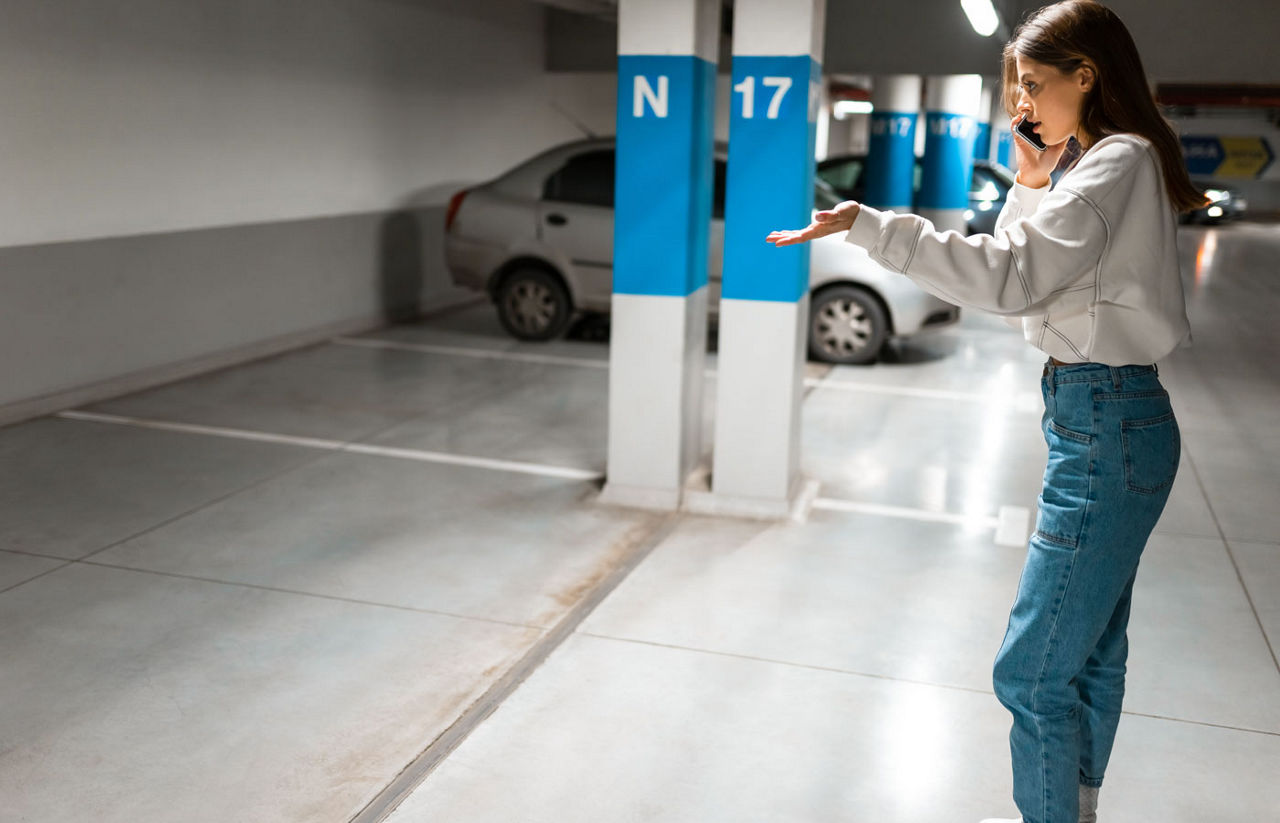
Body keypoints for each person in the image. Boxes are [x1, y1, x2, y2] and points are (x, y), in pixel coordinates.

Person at [766, 2, 1204, 822]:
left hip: (1105, 418)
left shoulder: (1116, 161)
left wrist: (872, 226)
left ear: (1089, 76)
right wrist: (1032, 183)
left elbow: (1008, 279)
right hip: (1107, 415)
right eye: (1016, 89)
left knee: (1030, 670)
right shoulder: (1101, 167)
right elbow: (1028, 265)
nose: (1023, 107)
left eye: (1035, 85)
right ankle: (1075, 808)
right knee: (1090, 653)